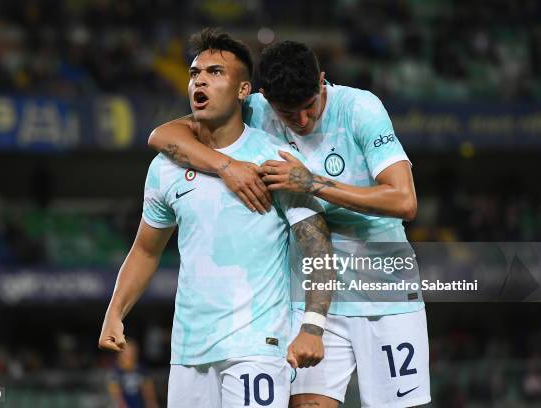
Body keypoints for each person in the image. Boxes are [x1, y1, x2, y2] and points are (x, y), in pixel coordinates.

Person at [148, 40, 430, 407]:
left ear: (322, 81)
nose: (300, 121)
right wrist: (225, 166)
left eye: (309, 107)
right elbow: (163, 135)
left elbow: (404, 201)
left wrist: (313, 184)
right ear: (265, 97)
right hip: (310, 297)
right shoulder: (257, 109)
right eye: (287, 112)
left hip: (385, 291)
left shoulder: (360, 108)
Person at [99, 29, 335, 408]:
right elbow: (145, 250)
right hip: (188, 352)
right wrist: (115, 312)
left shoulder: (274, 160)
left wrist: (312, 327)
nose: (200, 81)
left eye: (215, 72)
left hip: (256, 347)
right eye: (195, 73)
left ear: (244, 91)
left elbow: (318, 247)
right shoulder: (166, 168)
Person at [107, 339, 160, 408]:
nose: (129, 354)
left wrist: (152, 403)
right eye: (126, 351)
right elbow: (116, 396)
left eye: (132, 351)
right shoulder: (115, 372)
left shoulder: (142, 370)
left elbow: (149, 393)